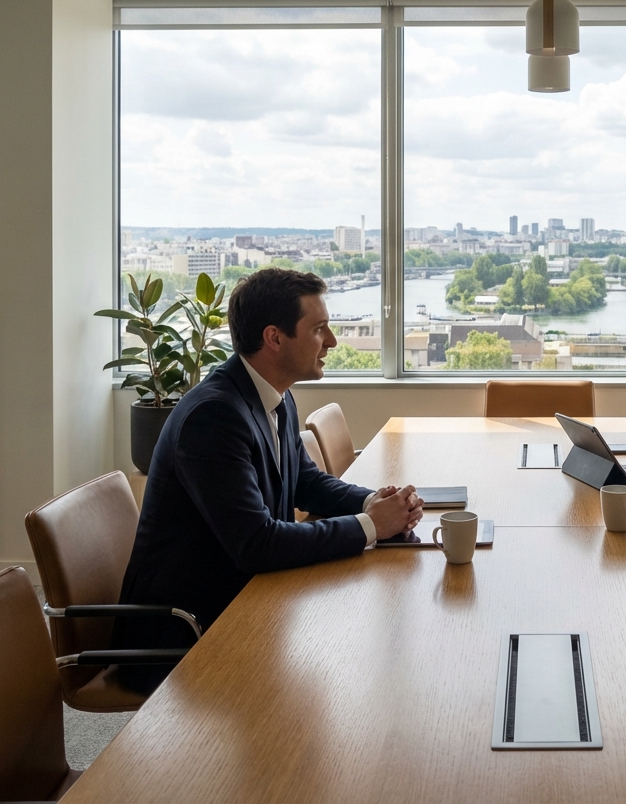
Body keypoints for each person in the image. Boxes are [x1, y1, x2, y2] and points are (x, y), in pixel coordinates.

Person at [114, 268, 424, 693]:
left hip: (250, 602)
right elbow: (256, 545)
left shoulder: (274, 395)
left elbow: (307, 483)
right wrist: (372, 527)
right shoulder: (213, 417)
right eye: (318, 329)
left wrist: (374, 502)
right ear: (274, 337)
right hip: (191, 631)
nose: (332, 341)